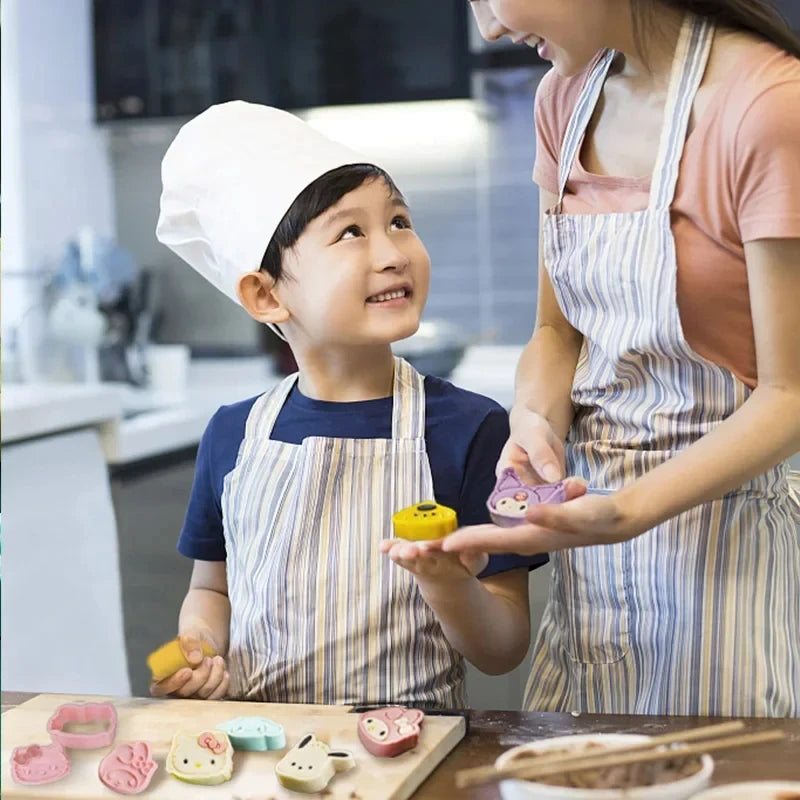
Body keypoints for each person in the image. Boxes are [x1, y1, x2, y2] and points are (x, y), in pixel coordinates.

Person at [443, 0, 800, 716]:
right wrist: (535, 422)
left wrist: (628, 512)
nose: (488, 28)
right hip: (594, 559)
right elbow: (556, 333)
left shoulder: (768, 107)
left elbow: (790, 393)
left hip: (729, 550)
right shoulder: (564, 99)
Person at [149, 101, 546, 707]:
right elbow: (214, 590)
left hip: (412, 761)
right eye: (351, 232)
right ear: (265, 294)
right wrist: (197, 646)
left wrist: (446, 583)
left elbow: (503, 648)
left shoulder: (471, 429)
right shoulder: (232, 435)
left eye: (399, 221)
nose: (391, 252)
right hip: (263, 756)